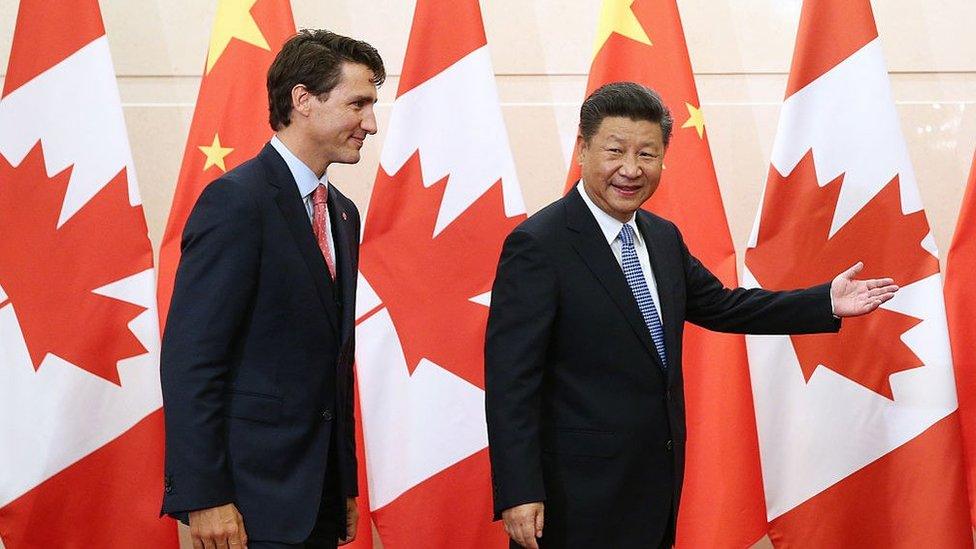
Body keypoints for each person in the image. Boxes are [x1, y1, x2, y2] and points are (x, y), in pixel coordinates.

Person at [484, 82, 898, 549]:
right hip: (573, 495)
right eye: (615, 151)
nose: (630, 169)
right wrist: (519, 491)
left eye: (647, 154)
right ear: (582, 149)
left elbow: (724, 305)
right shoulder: (540, 244)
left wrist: (823, 302)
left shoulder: (661, 237)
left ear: (663, 158)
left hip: (654, 484)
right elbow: (510, 382)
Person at [160, 29, 384, 549]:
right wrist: (205, 495)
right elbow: (192, 359)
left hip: (318, 501)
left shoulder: (342, 214)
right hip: (246, 504)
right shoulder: (236, 202)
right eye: (358, 103)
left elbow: (331, 361)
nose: (371, 124)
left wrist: (343, 484)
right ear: (303, 100)